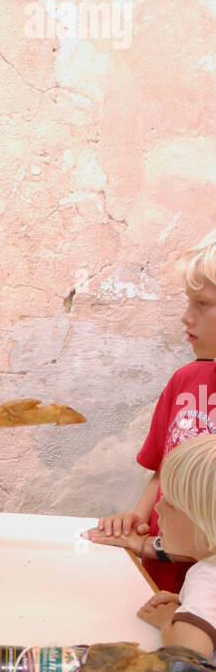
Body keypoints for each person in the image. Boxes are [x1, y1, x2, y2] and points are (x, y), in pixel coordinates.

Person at [86, 228, 216, 587]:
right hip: (158, 579)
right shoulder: (185, 381)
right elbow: (162, 469)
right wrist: (137, 521)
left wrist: (149, 545)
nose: (186, 317)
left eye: (202, 304)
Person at [134, 434, 216, 656]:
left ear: (206, 527)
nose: (158, 507)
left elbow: (188, 653)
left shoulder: (207, 578)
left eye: (170, 503)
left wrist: (166, 620)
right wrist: (184, 602)